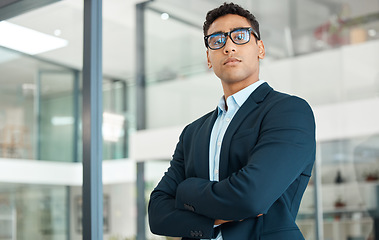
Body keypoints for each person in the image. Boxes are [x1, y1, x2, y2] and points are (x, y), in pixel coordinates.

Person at [148, 2, 316, 240]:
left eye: (240, 36)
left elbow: (251, 197)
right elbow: (157, 213)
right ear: (209, 57)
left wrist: (186, 190)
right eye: (217, 41)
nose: (228, 47)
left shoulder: (289, 111)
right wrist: (218, 216)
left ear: (260, 48)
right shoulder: (192, 133)